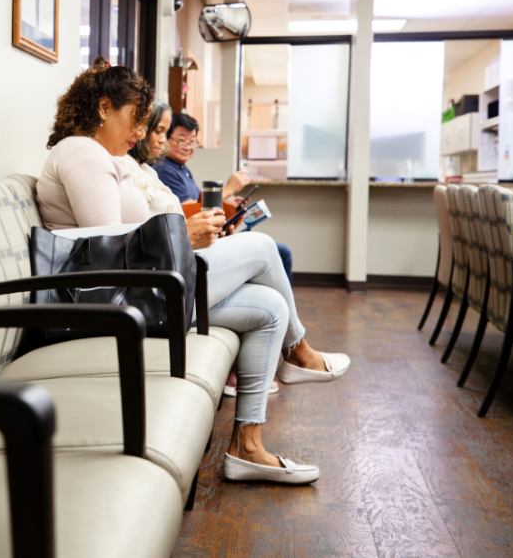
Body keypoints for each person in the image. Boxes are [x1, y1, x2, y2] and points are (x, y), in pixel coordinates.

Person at [37, 58, 350, 485]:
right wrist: (182, 234)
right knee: (260, 247)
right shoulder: (81, 152)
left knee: (271, 306)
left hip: (141, 288)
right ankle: (298, 350)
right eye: (135, 121)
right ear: (104, 108)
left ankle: (248, 448)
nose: (140, 135)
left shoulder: (106, 156)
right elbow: (107, 250)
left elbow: (122, 240)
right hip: (119, 297)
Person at [116, 103, 278, 398]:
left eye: (190, 140)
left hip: (185, 258)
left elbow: (179, 217)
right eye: (162, 132)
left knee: (273, 303)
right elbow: (132, 238)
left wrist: (209, 222)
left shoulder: (151, 171)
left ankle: (248, 439)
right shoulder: (132, 168)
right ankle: (298, 352)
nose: (163, 141)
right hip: (169, 273)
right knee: (266, 248)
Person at [155, 112, 295, 286]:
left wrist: (227, 205)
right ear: (166, 138)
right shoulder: (164, 170)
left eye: (192, 142)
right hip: (198, 243)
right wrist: (228, 189)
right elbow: (187, 211)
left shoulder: (182, 169)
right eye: (181, 140)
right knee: (282, 252)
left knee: (275, 248)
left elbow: (200, 205)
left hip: (212, 235)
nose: (188, 147)